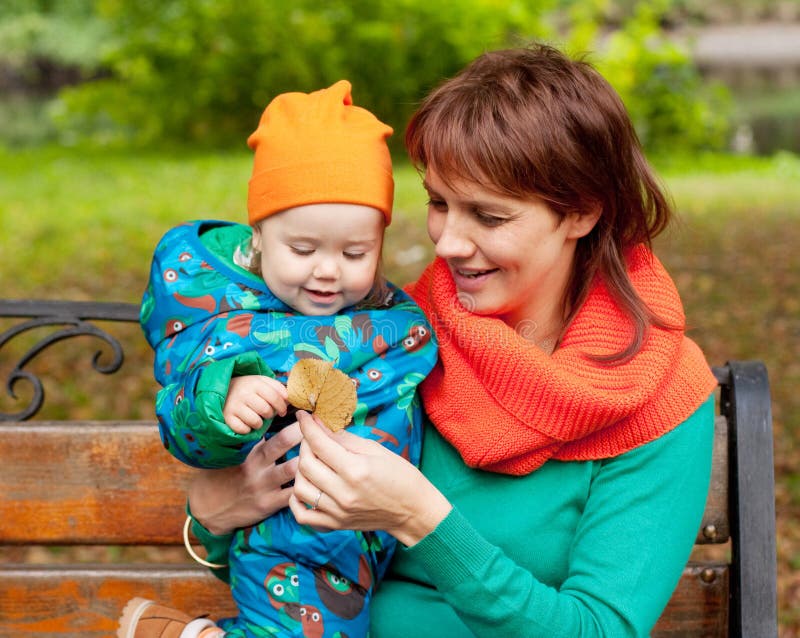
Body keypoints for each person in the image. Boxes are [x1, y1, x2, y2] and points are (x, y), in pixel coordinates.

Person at [132, 43, 719, 637]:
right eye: (439, 203)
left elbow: (599, 630)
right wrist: (213, 511)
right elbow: (302, 565)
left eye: (488, 217)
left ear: (582, 213)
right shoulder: (392, 335)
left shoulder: (656, 394)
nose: (448, 243)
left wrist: (421, 519)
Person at [120, 80, 438, 638]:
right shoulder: (214, 316)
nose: (328, 271)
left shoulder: (391, 322)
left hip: (364, 537)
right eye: (304, 249)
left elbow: (402, 378)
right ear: (260, 233)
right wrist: (226, 392)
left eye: (355, 252)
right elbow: (179, 418)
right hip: (282, 531)